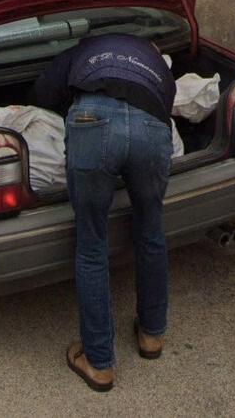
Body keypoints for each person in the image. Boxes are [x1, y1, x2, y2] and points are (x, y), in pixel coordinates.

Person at [33, 33, 177, 392]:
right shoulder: (156, 62)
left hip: (91, 121)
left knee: (92, 244)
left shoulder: (83, 50)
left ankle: (98, 362)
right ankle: (151, 335)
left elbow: (43, 93)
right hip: (151, 127)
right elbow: (168, 103)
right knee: (151, 230)